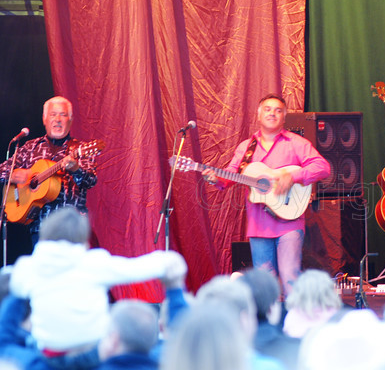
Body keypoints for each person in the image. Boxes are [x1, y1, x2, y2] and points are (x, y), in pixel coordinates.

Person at [8, 207, 186, 364]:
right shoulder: (95, 262)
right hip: (92, 355)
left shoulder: (27, 267)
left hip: (47, 357)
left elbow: (7, 286)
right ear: (84, 241)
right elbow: (137, 268)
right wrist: (171, 268)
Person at [204, 94, 330, 295]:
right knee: (265, 283)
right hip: (259, 223)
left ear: (284, 116)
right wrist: (215, 179)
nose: (272, 113)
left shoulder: (296, 143)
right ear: (259, 113)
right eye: (268, 109)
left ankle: (294, 323)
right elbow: (230, 176)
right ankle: (269, 324)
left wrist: (294, 175)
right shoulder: (246, 147)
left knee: (290, 276)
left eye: (278, 110)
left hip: (289, 221)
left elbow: (322, 167)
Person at [0, 96, 97, 243]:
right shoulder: (30, 147)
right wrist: (13, 175)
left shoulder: (80, 149)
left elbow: (90, 180)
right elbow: (2, 170)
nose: (58, 119)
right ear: (44, 119)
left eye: (63, 115)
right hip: (40, 228)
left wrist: (76, 168)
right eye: (53, 114)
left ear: (70, 120)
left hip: (71, 228)